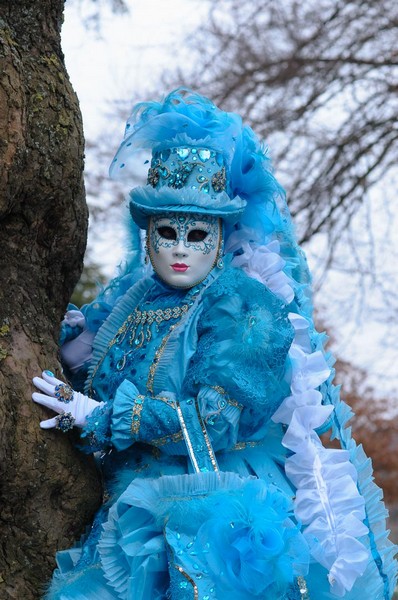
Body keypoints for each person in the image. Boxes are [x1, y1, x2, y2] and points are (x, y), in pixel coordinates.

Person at [32, 89, 397, 600]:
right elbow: (107, 378)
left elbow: (215, 420)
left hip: (215, 505)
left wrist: (101, 415)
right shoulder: (131, 301)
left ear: (222, 235)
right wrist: (77, 355)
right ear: (147, 235)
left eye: (197, 232)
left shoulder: (242, 306)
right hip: (125, 501)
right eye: (167, 230)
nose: (181, 247)